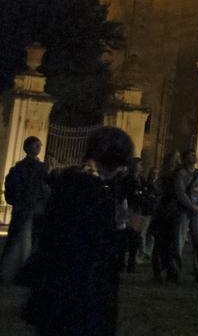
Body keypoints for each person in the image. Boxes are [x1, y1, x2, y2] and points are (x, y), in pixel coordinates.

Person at [19, 126, 134, 336]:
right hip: (81, 292)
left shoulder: (68, 181)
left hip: (55, 288)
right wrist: (121, 232)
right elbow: (97, 246)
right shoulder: (95, 193)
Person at [1, 136, 49, 284]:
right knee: (23, 241)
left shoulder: (23, 168)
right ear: (27, 148)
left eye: (39, 145)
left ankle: (15, 272)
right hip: (29, 209)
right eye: (36, 145)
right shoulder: (33, 168)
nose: (39, 148)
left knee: (24, 241)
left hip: (30, 209)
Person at [172, 149, 198, 281]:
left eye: (194, 154)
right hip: (183, 211)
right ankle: (176, 272)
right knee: (178, 242)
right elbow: (180, 192)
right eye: (191, 155)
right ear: (185, 158)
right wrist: (192, 206)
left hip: (196, 213)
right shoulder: (180, 174)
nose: (194, 156)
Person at [150, 151, 183, 282]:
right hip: (166, 211)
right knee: (163, 243)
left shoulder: (175, 174)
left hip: (170, 211)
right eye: (176, 158)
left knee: (169, 243)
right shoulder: (169, 176)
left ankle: (169, 271)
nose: (178, 161)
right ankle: (165, 271)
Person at [121, 158, 157, 273]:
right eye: (139, 164)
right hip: (130, 210)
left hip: (138, 210)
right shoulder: (128, 179)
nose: (141, 166)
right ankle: (125, 262)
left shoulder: (141, 179)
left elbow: (149, 190)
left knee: (135, 237)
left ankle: (131, 262)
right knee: (130, 236)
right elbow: (128, 195)